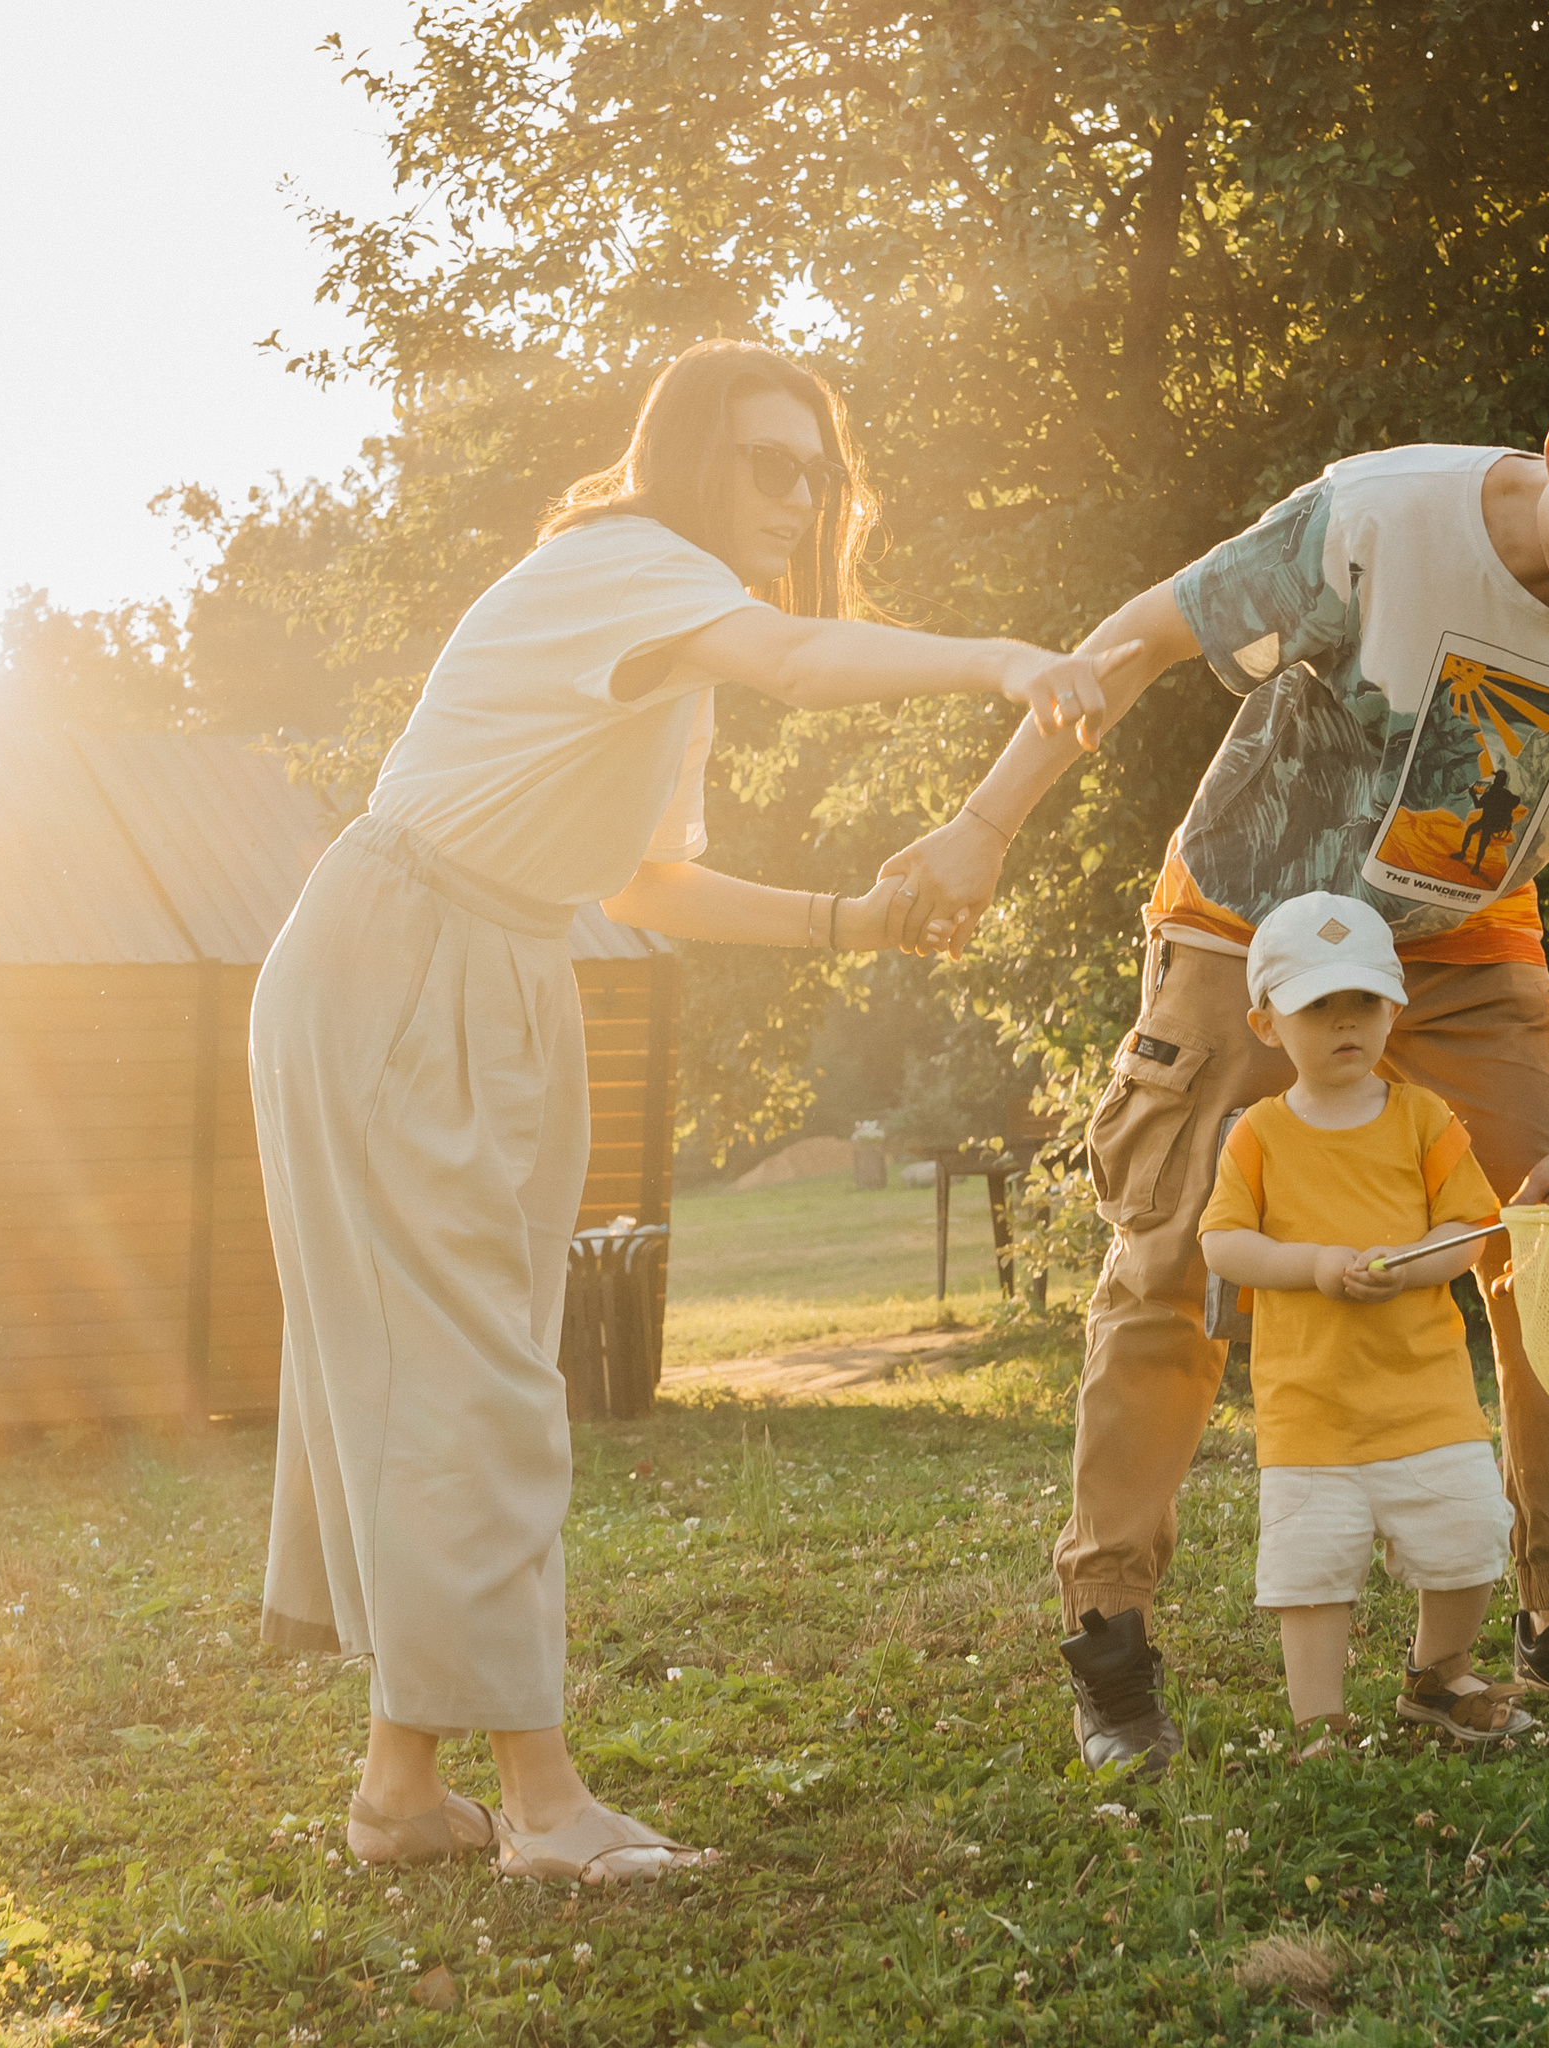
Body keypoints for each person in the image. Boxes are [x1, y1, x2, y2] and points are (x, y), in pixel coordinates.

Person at [251, 340, 1140, 1883]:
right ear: (686, 462)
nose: (800, 497)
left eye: (818, 471)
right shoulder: (623, 563)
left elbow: (637, 880)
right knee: (475, 1386)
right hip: (401, 954)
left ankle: (403, 1794)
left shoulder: (676, 644)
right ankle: (541, 1807)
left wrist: (847, 926)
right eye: (767, 463)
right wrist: (1008, 661)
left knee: (469, 1367)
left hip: (511, 962)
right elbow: (803, 659)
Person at [884, 334, 1549, 1773]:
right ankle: (1110, 1636)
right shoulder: (1377, 522)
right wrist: (985, 824)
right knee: (1171, 1263)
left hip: (1464, 940)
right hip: (1253, 915)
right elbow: (1138, 641)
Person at [1193, 893, 1532, 1758]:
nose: (1345, 1023)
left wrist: (1419, 1262)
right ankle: (1321, 1720)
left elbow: (1468, 1226)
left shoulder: (1423, 1117)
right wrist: (1310, 1266)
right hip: (1312, 1410)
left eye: (1364, 1002)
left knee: (1468, 1537)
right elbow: (1224, 1243)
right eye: (1317, 1007)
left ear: (1394, 1006)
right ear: (1268, 1024)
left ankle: (1438, 1675)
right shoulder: (1260, 1136)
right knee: (1312, 1573)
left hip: (1425, 1396)